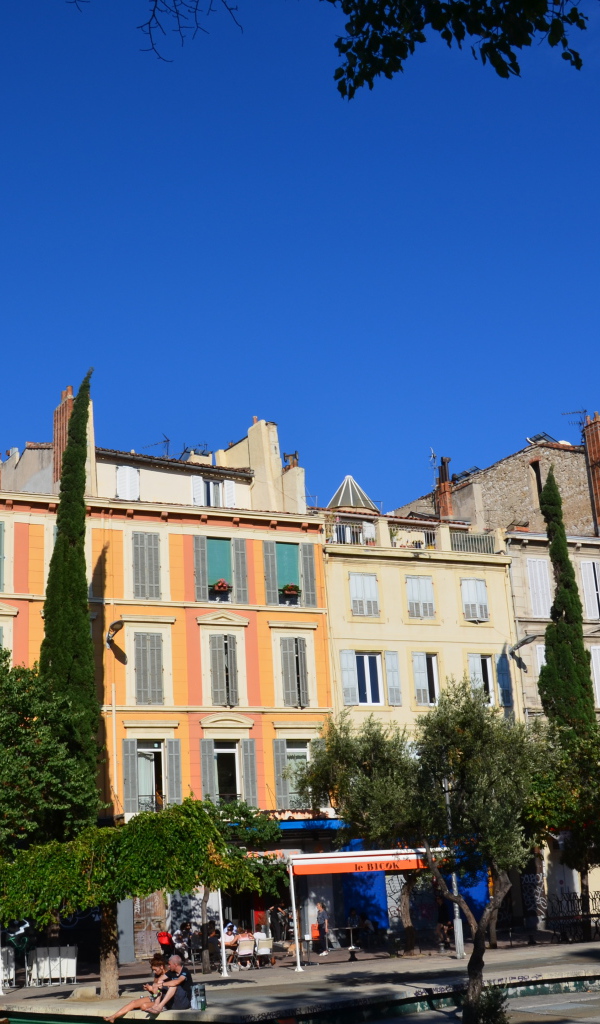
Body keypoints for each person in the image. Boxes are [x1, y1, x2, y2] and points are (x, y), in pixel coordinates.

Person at [103, 957, 166, 1021]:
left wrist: (152, 989)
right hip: (154, 997)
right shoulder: (157, 976)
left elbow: (163, 992)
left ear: (161, 966)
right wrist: (149, 990)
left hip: (162, 1000)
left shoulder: (168, 976)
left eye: (155, 970)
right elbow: (154, 994)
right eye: (153, 970)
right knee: (133, 1002)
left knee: (144, 1006)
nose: (154, 972)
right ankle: (113, 1017)